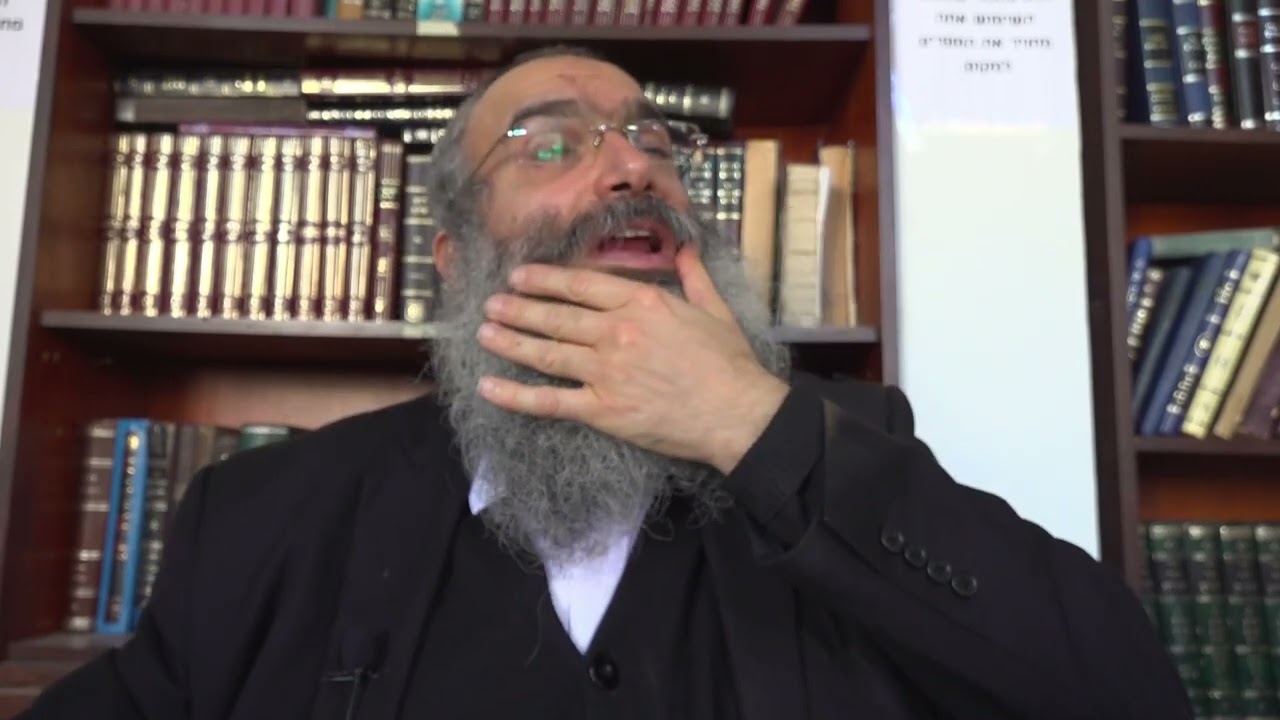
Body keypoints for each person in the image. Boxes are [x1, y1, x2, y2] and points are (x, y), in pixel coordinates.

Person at [20, 45, 1191, 719]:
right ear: (455, 257)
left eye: (652, 140)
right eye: (551, 143)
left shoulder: (840, 448)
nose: (633, 164)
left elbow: (1120, 693)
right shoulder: (266, 512)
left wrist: (750, 426)